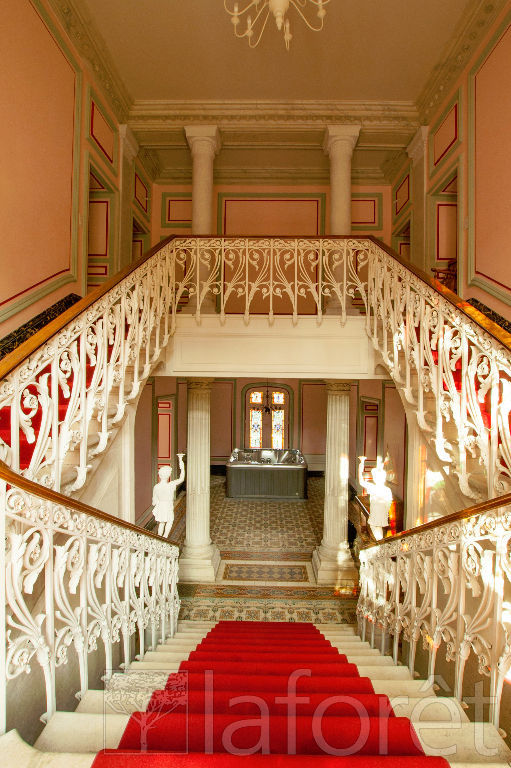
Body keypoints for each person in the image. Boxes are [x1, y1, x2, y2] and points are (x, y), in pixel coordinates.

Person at [358, 455, 392, 540]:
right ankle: (380, 544)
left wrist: (361, 463)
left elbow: (361, 481)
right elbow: (389, 503)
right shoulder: (387, 490)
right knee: (378, 532)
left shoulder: (373, 487)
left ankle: (380, 545)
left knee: (377, 534)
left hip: (375, 516)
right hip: (382, 515)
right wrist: (385, 512)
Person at [152, 454, 185, 538]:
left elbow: (154, 502)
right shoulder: (171, 485)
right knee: (170, 520)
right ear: (168, 475)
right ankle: (165, 536)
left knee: (161, 523)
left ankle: (159, 537)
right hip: (168, 505)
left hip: (160, 506)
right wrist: (182, 465)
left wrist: (158, 502)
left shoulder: (156, 487)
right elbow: (181, 478)